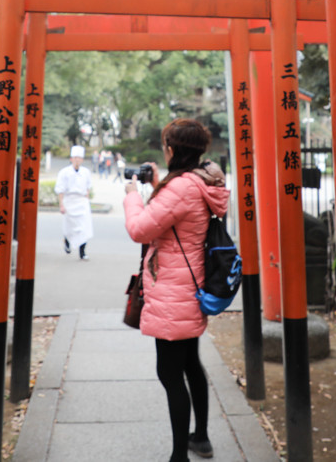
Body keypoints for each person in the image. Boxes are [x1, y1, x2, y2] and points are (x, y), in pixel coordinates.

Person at [123, 119, 228, 462]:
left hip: (172, 290)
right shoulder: (198, 182)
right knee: (191, 365)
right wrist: (157, 183)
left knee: (170, 373)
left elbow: (140, 229)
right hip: (190, 285)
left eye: (166, 144)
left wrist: (132, 198)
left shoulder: (180, 189)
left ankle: (178, 456)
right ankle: (201, 438)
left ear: (172, 149)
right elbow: (176, 216)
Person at [55, 145, 93, 260]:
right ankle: (67, 241)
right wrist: (61, 204)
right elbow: (60, 189)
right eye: (75, 157)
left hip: (81, 201)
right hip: (69, 201)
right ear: (71, 159)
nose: (77, 160)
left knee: (84, 228)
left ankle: (82, 252)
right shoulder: (64, 172)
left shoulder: (86, 172)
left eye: (79, 158)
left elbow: (88, 187)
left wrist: (87, 197)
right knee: (69, 226)